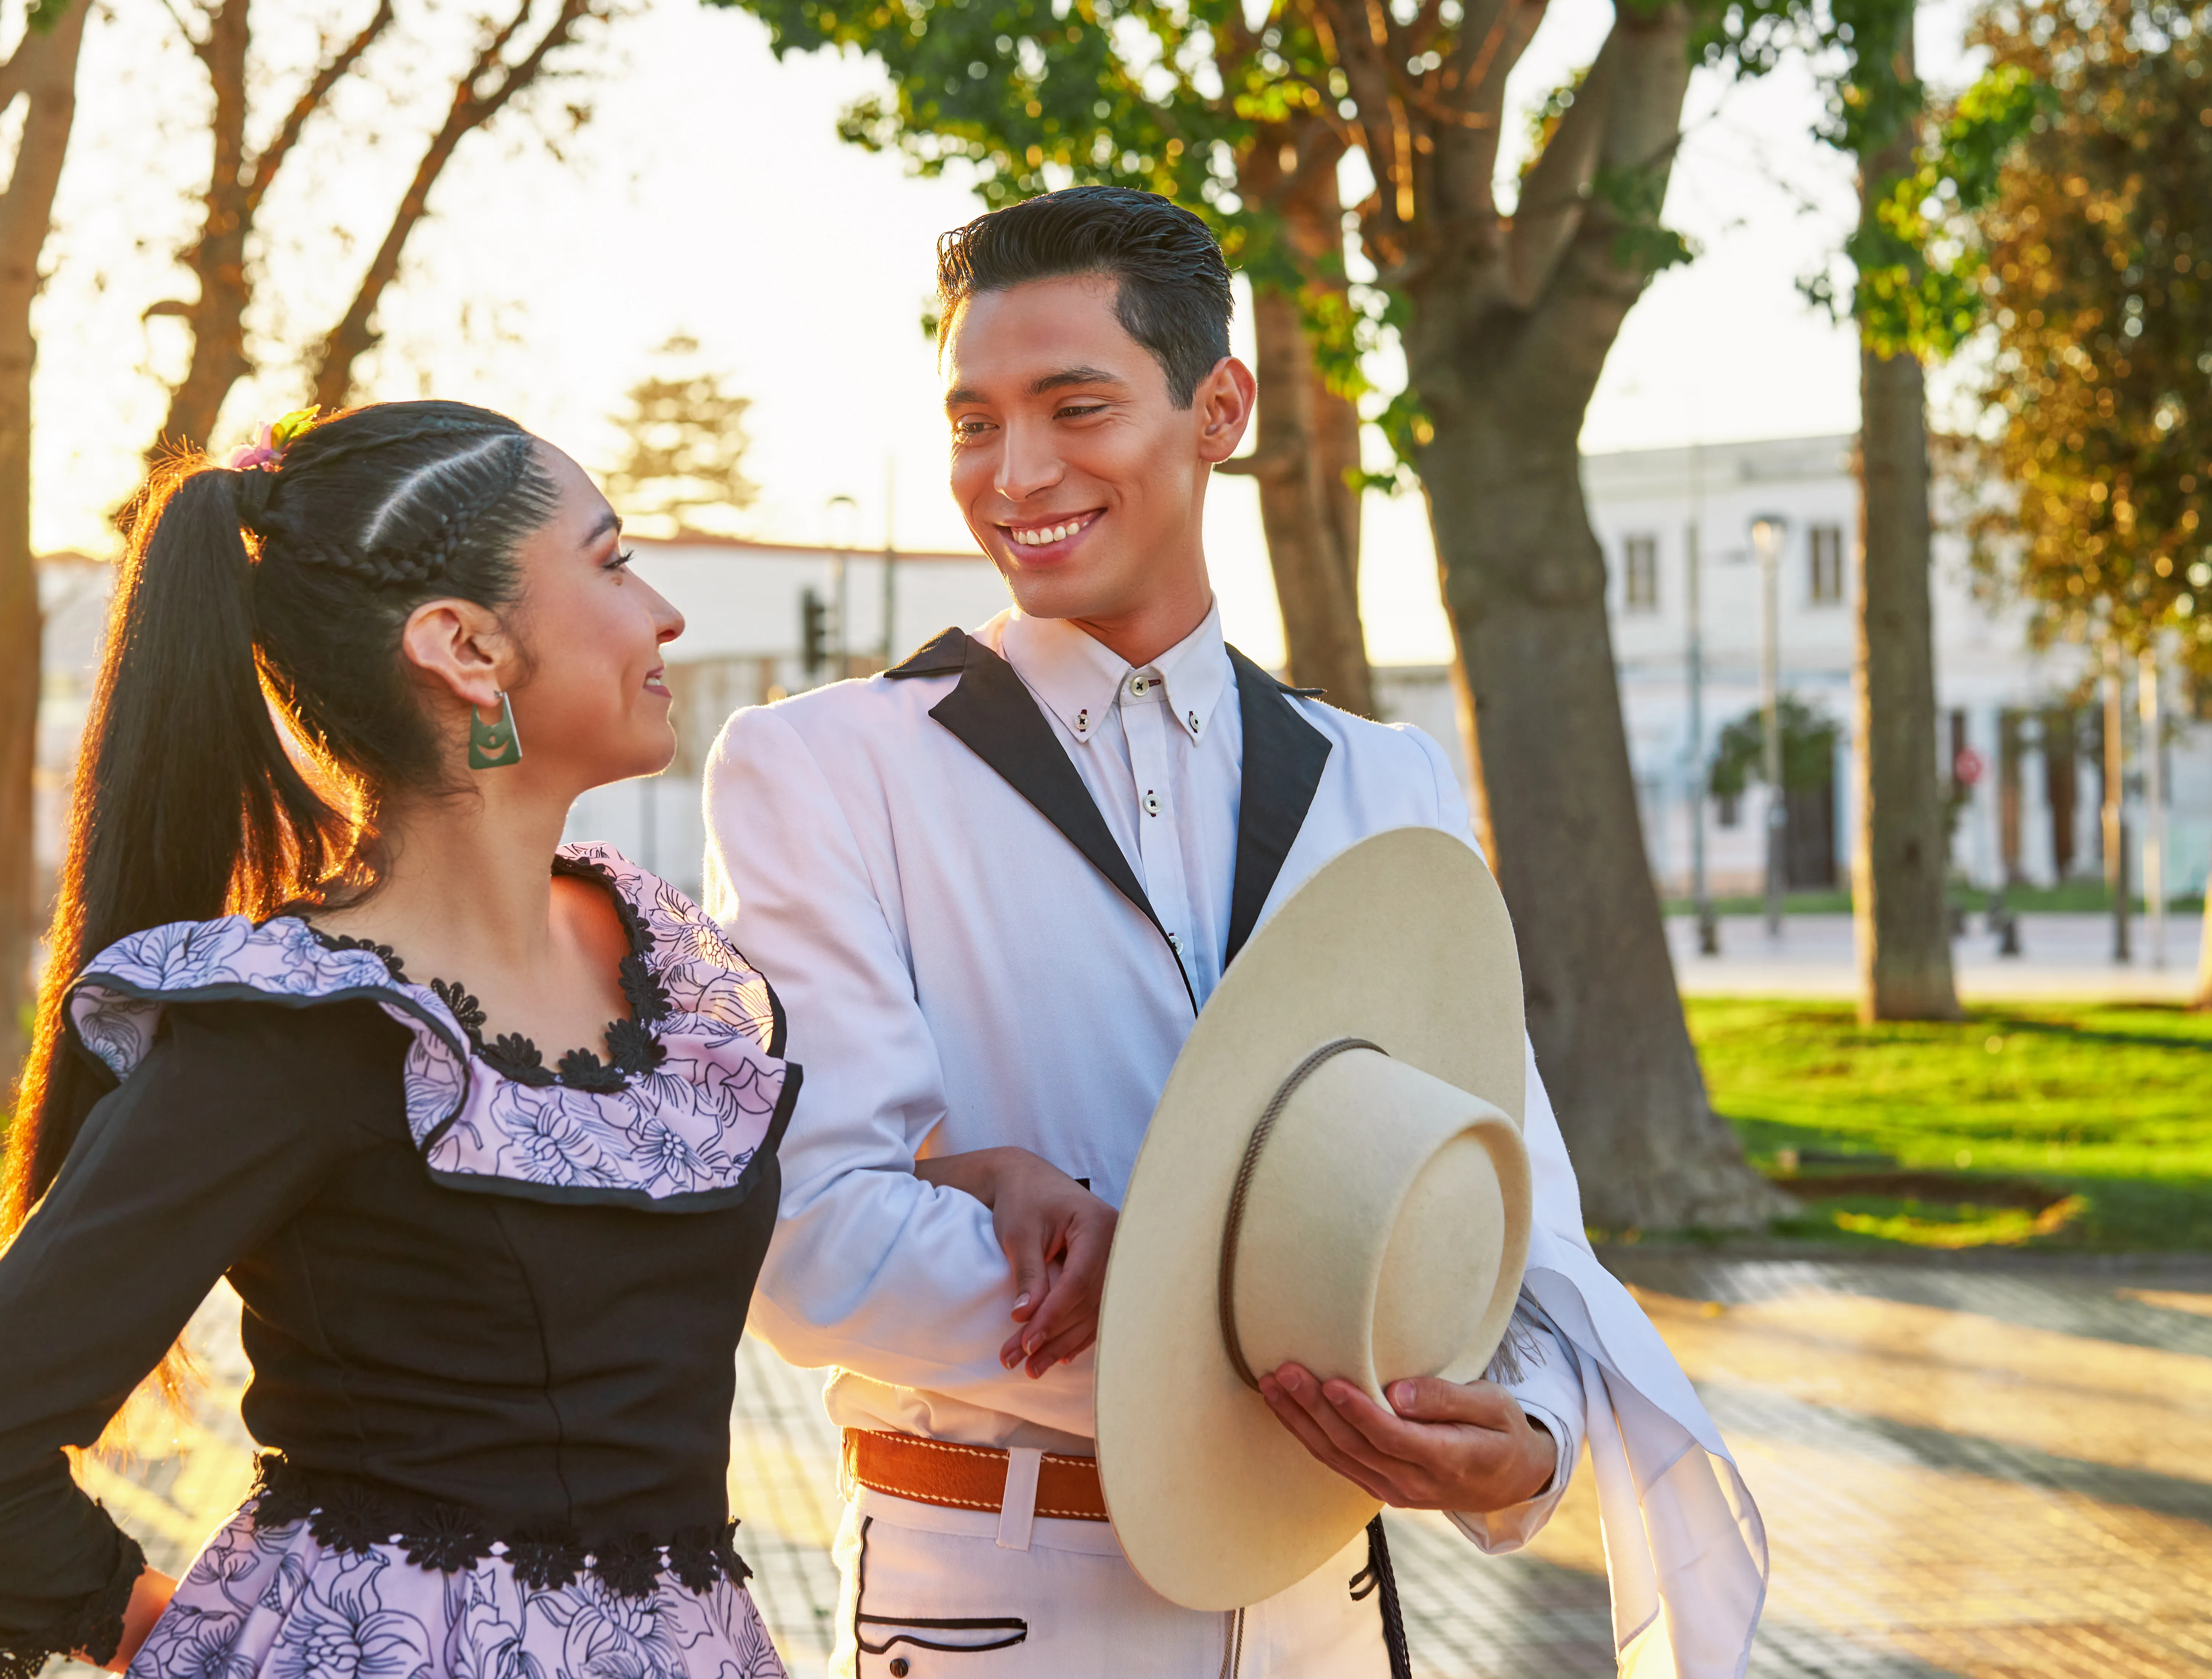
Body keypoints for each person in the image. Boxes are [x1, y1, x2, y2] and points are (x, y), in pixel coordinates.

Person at [704, 188, 1766, 1676]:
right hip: (1002, 1611)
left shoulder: (1381, 781)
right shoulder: (821, 766)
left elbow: (1503, 1198)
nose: (1014, 473)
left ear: (1220, 408)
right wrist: (1251, 1340)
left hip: (1327, 1610)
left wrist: (1522, 1434)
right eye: (971, 422)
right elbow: (812, 1237)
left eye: (1075, 406)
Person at [0, 400, 800, 1679]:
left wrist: (992, 1185)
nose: (664, 612)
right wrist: (189, 1641)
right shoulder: (300, 1025)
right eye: (613, 560)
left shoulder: (666, 971)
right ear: (465, 645)